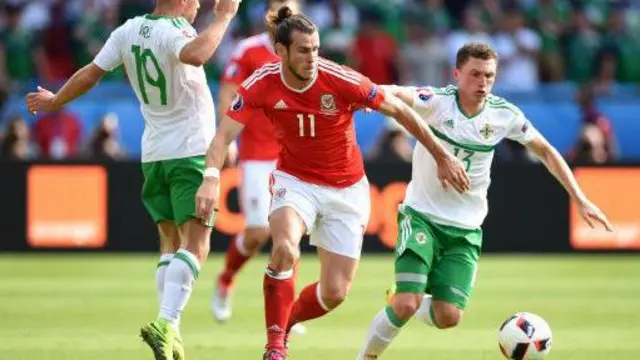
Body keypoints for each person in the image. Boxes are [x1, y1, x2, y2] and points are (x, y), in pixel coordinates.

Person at [194, 6, 470, 360]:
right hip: (295, 182)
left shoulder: (341, 79)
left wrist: (440, 155)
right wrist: (211, 177)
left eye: (316, 49)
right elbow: (222, 137)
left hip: (346, 188)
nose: (312, 58)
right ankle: (275, 347)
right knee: (284, 249)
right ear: (281, 52)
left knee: (335, 293)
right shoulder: (262, 81)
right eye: (303, 50)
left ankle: (286, 320)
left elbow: (400, 111)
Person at [355, 42, 614, 360]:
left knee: (448, 316)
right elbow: (396, 91)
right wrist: (369, 95)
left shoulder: (503, 115)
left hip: (465, 228)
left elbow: (545, 150)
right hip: (422, 215)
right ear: (457, 74)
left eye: (489, 76)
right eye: (475, 74)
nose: (482, 82)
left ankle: (399, 299)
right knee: (407, 304)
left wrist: (580, 197)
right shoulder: (438, 102)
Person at [25, 0, 241, 359]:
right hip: (189, 151)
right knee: (197, 244)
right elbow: (198, 53)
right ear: (182, 1)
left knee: (169, 245)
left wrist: (56, 100)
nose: (201, 4)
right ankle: (166, 322)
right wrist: (224, 18)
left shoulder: (127, 30)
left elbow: (90, 74)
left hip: (154, 153)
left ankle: (172, 333)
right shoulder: (177, 32)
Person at [210, 2, 305, 337]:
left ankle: (286, 312)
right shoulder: (248, 51)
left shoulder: (304, 51)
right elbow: (227, 92)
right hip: (257, 153)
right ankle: (225, 280)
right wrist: (229, 138)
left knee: (289, 235)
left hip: (293, 157)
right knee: (256, 233)